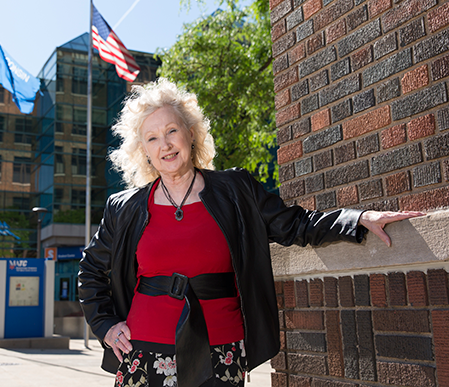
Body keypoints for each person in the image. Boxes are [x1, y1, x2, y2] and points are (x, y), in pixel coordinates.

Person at [78, 78, 424, 387]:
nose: (165, 144)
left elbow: (294, 225)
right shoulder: (124, 207)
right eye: (152, 138)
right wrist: (107, 325)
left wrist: (357, 218)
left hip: (221, 347)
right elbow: (91, 270)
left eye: (171, 131)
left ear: (191, 133)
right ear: (144, 151)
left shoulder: (235, 189)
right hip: (144, 347)